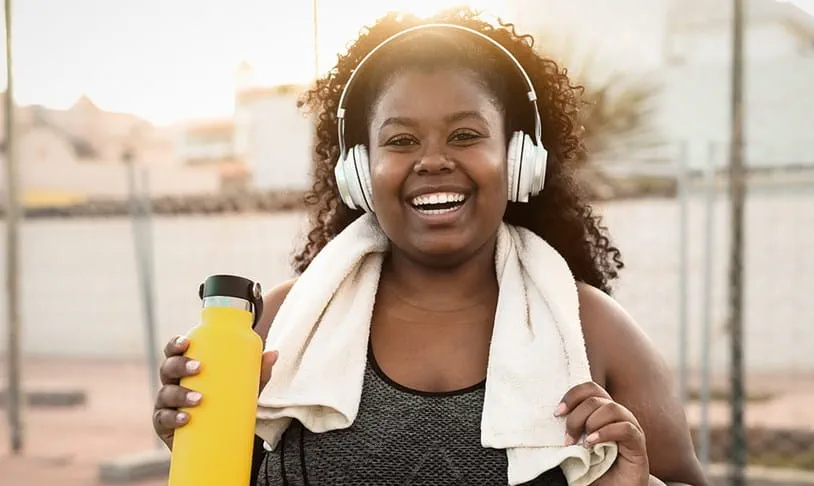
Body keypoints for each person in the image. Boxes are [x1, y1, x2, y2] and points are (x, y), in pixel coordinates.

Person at [153, 8, 707, 486]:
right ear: (358, 173)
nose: (433, 160)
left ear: (519, 161)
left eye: (466, 135)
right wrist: (194, 439)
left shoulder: (597, 332)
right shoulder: (276, 327)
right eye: (400, 140)